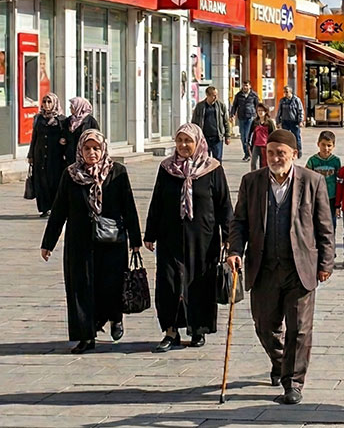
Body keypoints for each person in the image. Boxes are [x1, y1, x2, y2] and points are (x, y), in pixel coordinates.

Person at [227, 129, 334, 405]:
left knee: (299, 329)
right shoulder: (251, 182)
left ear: (294, 155)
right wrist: (235, 250)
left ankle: (293, 383)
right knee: (264, 324)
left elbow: (324, 226)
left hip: (300, 268)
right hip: (263, 267)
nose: (275, 158)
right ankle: (280, 361)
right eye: (271, 152)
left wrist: (326, 262)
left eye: (281, 153)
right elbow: (239, 222)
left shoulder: (313, 181)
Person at [40, 129, 142, 354]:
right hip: (80, 242)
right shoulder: (71, 175)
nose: (92, 153)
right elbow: (59, 210)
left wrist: (136, 239)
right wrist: (48, 243)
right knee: (81, 288)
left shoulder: (117, 172)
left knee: (111, 285)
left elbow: (129, 207)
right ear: (80, 150)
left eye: (96, 148)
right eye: (87, 148)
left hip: (111, 241)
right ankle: (86, 336)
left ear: (103, 149)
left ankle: (115, 317)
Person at [144, 123, 233, 352]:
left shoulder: (212, 168)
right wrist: (150, 233)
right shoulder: (167, 168)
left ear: (198, 142)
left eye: (188, 141)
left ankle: (198, 329)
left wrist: (228, 235)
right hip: (170, 236)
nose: (184, 145)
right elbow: (157, 202)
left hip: (204, 238)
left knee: (200, 283)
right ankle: (170, 330)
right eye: (180, 140)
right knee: (168, 282)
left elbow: (224, 204)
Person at [28, 93, 68, 217]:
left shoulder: (61, 120)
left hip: (55, 156)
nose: (46, 104)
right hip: (40, 154)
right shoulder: (38, 118)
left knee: (54, 181)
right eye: (44, 102)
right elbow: (34, 137)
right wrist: (31, 155)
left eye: (49, 102)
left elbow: (66, 136)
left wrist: (64, 141)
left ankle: (54, 207)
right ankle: (44, 208)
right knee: (41, 182)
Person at [306, 131, 342, 234]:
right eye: (323, 145)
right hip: (317, 197)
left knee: (332, 222)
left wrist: (339, 200)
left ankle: (330, 246)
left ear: (333, 146)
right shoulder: (312, 161)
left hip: (331, 197)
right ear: (318, 144)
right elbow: (307, 178)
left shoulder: (336, 161)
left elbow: (339, 180)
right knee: (317, 222)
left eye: (329, 145)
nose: (326, 148)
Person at [191, 86, 231, 161]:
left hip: (217, 137)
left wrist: (227, 136)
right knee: (205, 159)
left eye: (216, 95)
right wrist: (194, 136)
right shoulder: (200, 106)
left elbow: (226, 121)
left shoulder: (221, 106)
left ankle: (218, 172)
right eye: (213, 95)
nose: (216, 97)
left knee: (217, 159)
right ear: (208, 95)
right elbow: (194, 122)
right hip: (204, 137)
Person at [64, 97, 100, 162]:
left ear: (79, 107)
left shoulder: (90, 121)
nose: (70, 108)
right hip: (70, 155)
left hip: (85, 155)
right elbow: (64, 134)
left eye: (72, 107)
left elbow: (97, 137)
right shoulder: (68, 120)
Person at [232, 81, 260, 161]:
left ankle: (248, 154)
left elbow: (257, 106)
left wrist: (259, 117)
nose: (245, 87)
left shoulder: (253, 95)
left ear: (249, 86)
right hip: (241, 117)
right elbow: (234, 105)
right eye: (244, 86)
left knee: (248, 136)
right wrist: (232, 114)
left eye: (246, 86)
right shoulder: (239, 95)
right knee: (243, 137)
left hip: (250, 117)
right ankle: (246, 153)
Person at [276, 86, 305, 156]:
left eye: (287, 92)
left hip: (294, 122)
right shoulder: (282, 101)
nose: (285, 93)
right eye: (284, 92)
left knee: (296, 137)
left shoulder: (296, 100)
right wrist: (278, 122)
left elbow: (300, 111)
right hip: (285, 121)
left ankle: (298, 150)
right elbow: (279, 111)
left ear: (290, 92)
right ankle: (285, 151)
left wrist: (300, 121)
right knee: (285, 137)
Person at [250, 104, 276, 170]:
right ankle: (253, 177)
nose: (260, 112)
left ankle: (263, 177)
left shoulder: (269, 122)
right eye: (259, 111)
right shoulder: (255, 121)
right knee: (253, 163)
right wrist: (248, 142)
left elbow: (273, 133)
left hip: (265, 145)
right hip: (256, 144)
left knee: (263, 164)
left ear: (266, 111)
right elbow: (250, 133)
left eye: (262, 110)